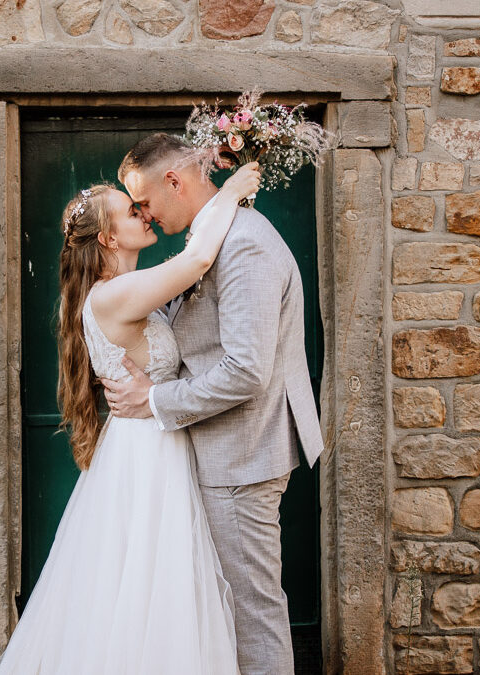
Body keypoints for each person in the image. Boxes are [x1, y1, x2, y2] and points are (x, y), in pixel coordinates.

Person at [0, 162, 262, 674]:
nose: (142, 213)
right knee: (153, 583)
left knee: (144, 587)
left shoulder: (124, 287)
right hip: (147, 454)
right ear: (111, 238)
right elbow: (200, 257)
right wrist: (229, 192)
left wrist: (158, 391)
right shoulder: (114, 294)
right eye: (130, 210)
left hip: (148, 438)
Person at [104, 133, 325, 675]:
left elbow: (246, 370)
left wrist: (154, 399)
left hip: (242, 455)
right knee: (225, 607)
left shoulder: (243, 241)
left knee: (251, 610)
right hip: (225, 453)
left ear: (174, 182)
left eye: (146, 202)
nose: (146, 215)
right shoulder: (213, 234)